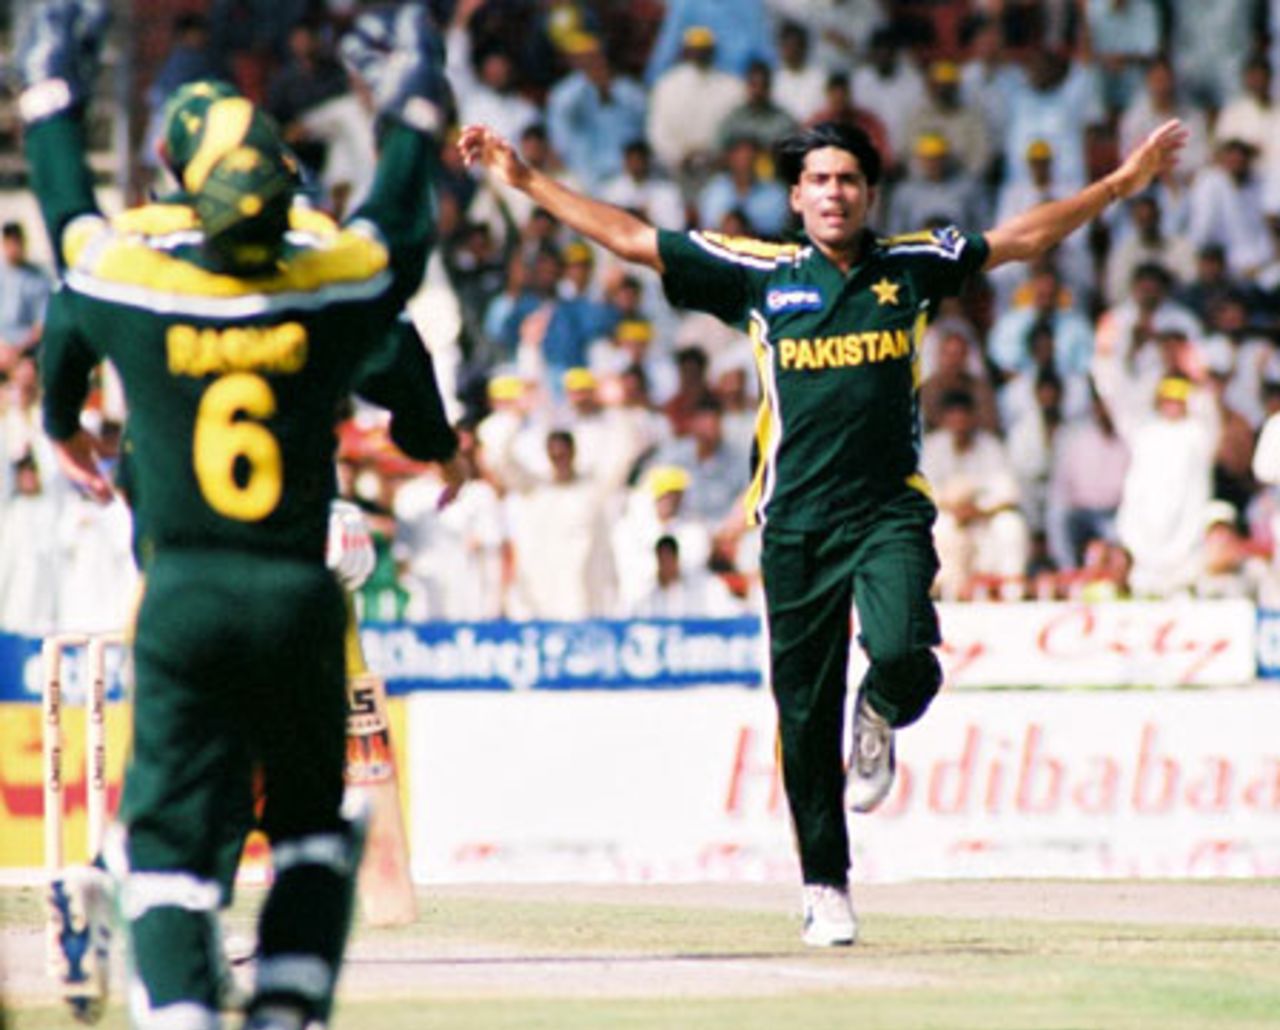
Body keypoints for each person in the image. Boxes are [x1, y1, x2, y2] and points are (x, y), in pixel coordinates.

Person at [459, 106, 1186, 945]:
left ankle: (877, 711)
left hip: (886, 514)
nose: (834, 193)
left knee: (910, 656)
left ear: (870, 193)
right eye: (818, 182)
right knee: (802, 716)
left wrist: (1121, 184)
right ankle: (824, 885)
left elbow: (1021, 238)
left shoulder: (911, 267)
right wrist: (526, 183)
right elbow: (632, 239)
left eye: (847, 180)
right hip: (794, 524)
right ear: (797, 200)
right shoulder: (760, 274)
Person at [18, 4, 450, 1029]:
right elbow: (401, 219)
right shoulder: (334, 281)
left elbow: (67, 213)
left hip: (182, 584)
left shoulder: (132, 279)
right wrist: (416, 92)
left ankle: (181, 1014)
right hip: (301, 590)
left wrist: (48, 88)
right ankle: (287, 1010)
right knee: (308, 834)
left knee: (167, 842)